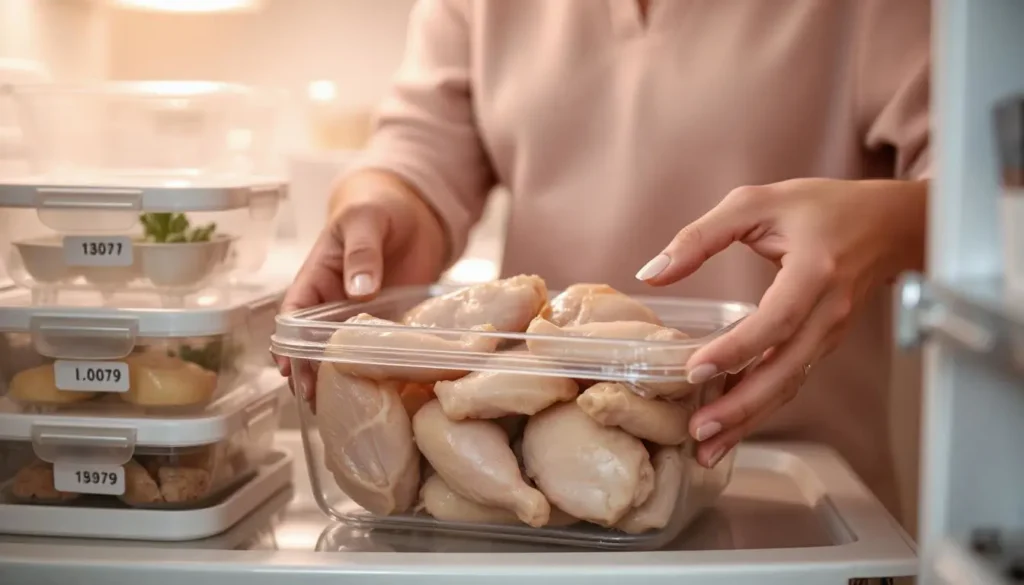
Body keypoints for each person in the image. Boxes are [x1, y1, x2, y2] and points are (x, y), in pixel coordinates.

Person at [279, 0, 930, 519]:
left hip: (801, 495)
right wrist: (378, 207)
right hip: (543, 484)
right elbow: (420, 151)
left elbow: (990, 199)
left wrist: (882, 225)